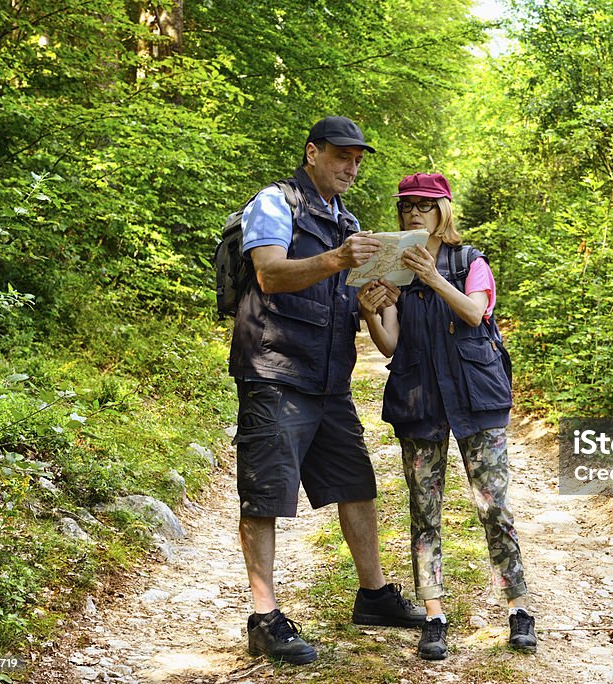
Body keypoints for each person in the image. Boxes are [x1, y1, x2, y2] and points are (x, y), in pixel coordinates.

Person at [228, 116, 425, 665]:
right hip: (273, 370)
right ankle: (264, 617)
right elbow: (270, 274)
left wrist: (376, 295)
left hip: (329, 378)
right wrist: (338, 260)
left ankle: (373, 596)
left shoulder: (350, 221)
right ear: (313, 152)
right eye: (342, 156)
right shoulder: (274, 203)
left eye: (358, 159)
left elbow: (361, 298)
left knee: (356, 484)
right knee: (266, 492)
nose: (351, 167)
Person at [359, 172, 537, 660]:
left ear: (444, 211)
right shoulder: (392, 269)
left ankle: (519, 608)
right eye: (406, 206)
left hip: (476, 401)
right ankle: (433, 617)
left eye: (424, 204)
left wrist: (433, 277)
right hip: (420, 402)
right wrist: (372, 311)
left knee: (494, 507)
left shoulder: (469, 261)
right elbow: (389, 344)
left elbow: (475, 314)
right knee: (424, 512)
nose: (413, 213)